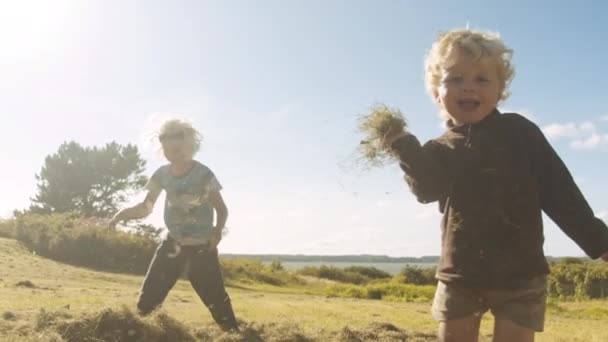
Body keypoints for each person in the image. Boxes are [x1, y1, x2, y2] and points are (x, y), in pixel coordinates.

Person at [382, 28, 608, 342]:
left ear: (500, 90)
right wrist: (403, 146)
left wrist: (599, 242)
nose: (468, 88)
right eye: (455, 78)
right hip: (460, 274)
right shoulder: (437, 149)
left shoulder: (521, 133)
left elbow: (560, 193)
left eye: (481, 79)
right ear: (437, 91)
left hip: (521, 274)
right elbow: (427, 189)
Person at [109, 118, 238, 331]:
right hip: (171, 245)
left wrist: (217, 231)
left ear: (187, 147)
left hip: (201, 248)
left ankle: (234, 334)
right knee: (148, 300)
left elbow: (221, 209)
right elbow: (146, 207)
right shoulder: (161, 175)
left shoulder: (203, 174)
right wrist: (121, 214)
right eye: (167, 151)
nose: (172, 154)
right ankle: (138, 334)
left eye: (176, 150)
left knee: (216, 300)